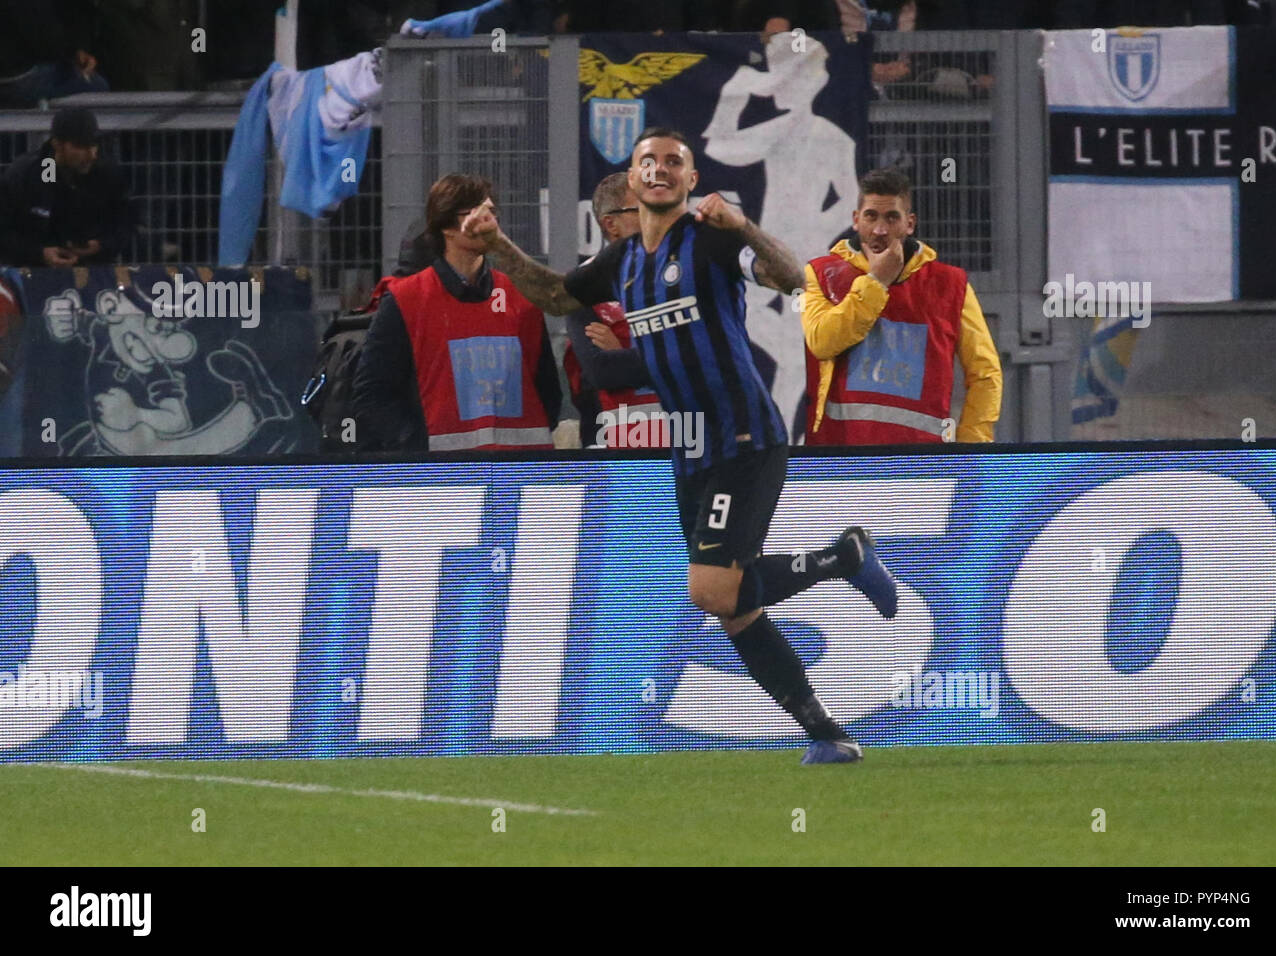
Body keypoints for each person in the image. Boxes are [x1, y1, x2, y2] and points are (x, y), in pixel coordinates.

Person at [463, 127, 899, 765]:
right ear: (633, 180)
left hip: (745, 437)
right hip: (691, 449)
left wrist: (744, 225)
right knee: (735, 607)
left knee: (712, 590)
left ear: (692, 180)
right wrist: (497, 243)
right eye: (648, 162)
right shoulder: (622, 262)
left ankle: (840, 562)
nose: (660, 170)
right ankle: (826, 734)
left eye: (674, 162)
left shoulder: (713, 239)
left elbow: (791, 278)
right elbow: (557, 293)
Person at [351, 173, 562, 451]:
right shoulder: (406, 300)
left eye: (492, 212)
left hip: (519, 472)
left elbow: (547, 388)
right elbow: (372, 394)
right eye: (477, 213)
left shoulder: (521, 296)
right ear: (447, 227)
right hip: (443, 482)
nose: (490, 222)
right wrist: (416, 445)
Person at [803, 167, 1001, 445]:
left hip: (922, 463)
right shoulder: (821, 274)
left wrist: (971, 449)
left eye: (892, 217)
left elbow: (985, 373)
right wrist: (876, 281)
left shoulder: (951, 284)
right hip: (840, 459)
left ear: (910, 224)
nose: (880, 230)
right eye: (871, 216)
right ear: (856, 220)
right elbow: (823, 342)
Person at [564, 173, 670, 449]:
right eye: (643, 209)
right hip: (616, 451)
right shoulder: (582, 285)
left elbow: (702, 360)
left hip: (687, 446)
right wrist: (669, 354)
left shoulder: (681, 276)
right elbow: (603, 371)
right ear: (611, 224)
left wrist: (622, 349)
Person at [0, 108, 135, 269]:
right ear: (57, 144)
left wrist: (100, 245)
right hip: (33, 276)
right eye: (81, 147)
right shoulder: (26, 175)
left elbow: (126, 224)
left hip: (93, 275)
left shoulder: (106, 174)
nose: (91, 154)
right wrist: (40, 253)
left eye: (93, 145)